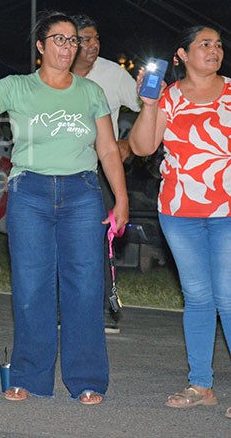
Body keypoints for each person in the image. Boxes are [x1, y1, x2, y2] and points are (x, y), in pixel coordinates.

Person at [0, 12, 128, 404]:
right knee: (31, 286)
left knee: (85, 287)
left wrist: (121, 199)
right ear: (40, 46)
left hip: (82, 191)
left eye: (72, 40)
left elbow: (107, 148)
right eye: (58, 39)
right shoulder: (18, 88)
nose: (67, 47)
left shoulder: (90, 92)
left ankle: (87, 378)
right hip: (31, 193)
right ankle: (28, 374)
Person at [128, 26, 231, 418]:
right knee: (198, 296)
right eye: (204, 44)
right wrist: (149, 104)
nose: (214, 50)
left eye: (218, 44)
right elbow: (142, 147)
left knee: (228, 296)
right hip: (179, 210)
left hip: (227, 211)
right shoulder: (168, 97)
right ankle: (201, 384)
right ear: (182, 55)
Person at [71, 14, 141, 335]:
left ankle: (100, 310)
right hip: (62, 165)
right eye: (86, 39)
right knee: (61, 239)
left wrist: (130, 142)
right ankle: (61, 310)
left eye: (96, 38)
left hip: (101, 164)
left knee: (98, 237)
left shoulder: (112, 74)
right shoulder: (53, 75)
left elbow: (151, 107)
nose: (94, 45)